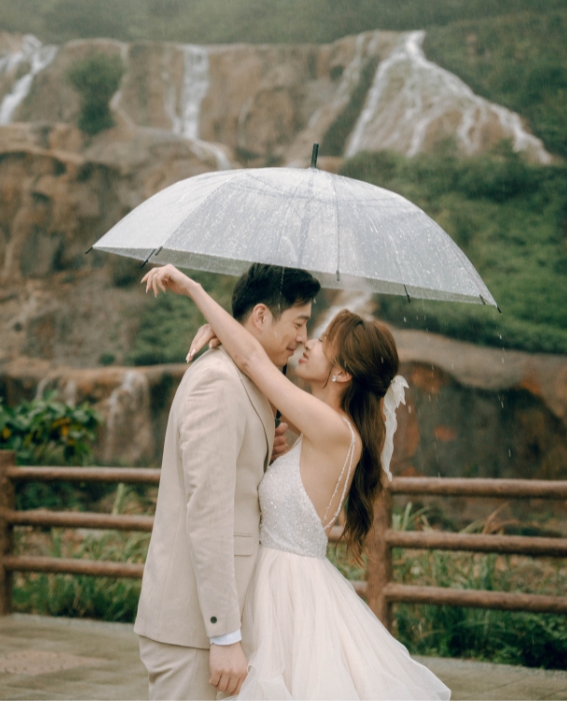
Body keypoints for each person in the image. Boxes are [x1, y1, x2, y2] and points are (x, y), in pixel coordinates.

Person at [143, 263, 449, 700]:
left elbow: (252, 360)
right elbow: (257, 372)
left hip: (284, 592)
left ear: (342, 373)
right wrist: (229, 335)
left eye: (321, 339)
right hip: (287, 585)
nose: (307, 341)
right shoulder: (326, 425)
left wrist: (196, 293)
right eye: (306, 327)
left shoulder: (329, 425)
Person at [134, 263, 320, 700]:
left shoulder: (247, 379)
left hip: (218, 624)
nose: (303, 338)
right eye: (299, 322)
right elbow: (208, 513)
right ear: (260, 317)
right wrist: (223, 636)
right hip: (194, 628)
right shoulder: (218, 384)